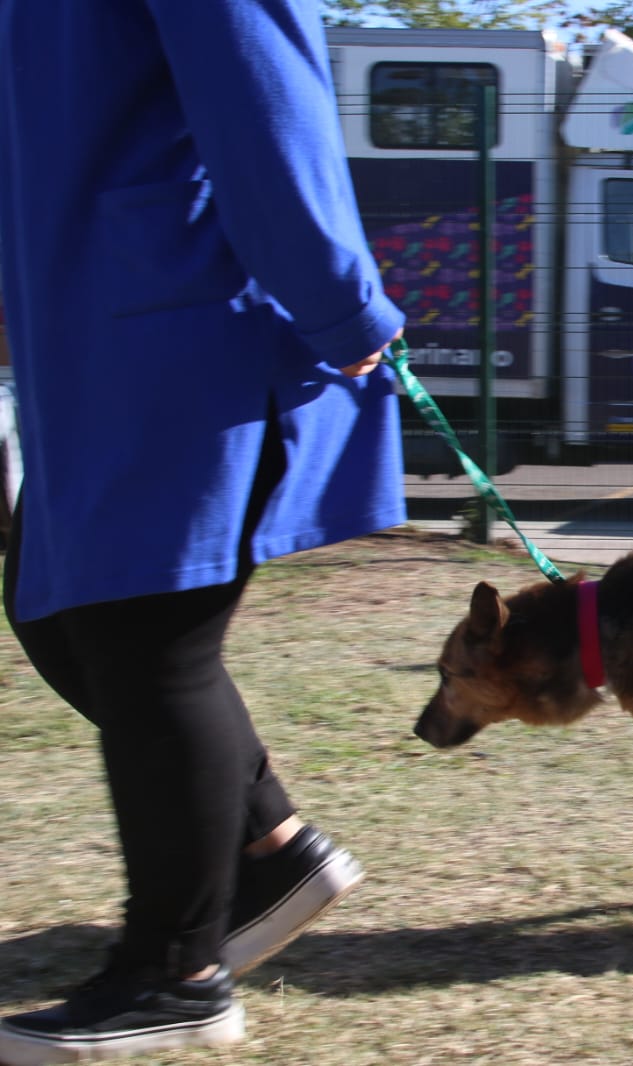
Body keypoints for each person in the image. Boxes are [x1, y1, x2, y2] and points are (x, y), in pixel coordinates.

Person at [0, 1, 407, 1061]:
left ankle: (176, 970)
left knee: (145, 630)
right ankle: (268, 848)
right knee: (60, 610)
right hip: (79, 314)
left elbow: (261, 91)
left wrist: (339, 300)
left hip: (181, 307)